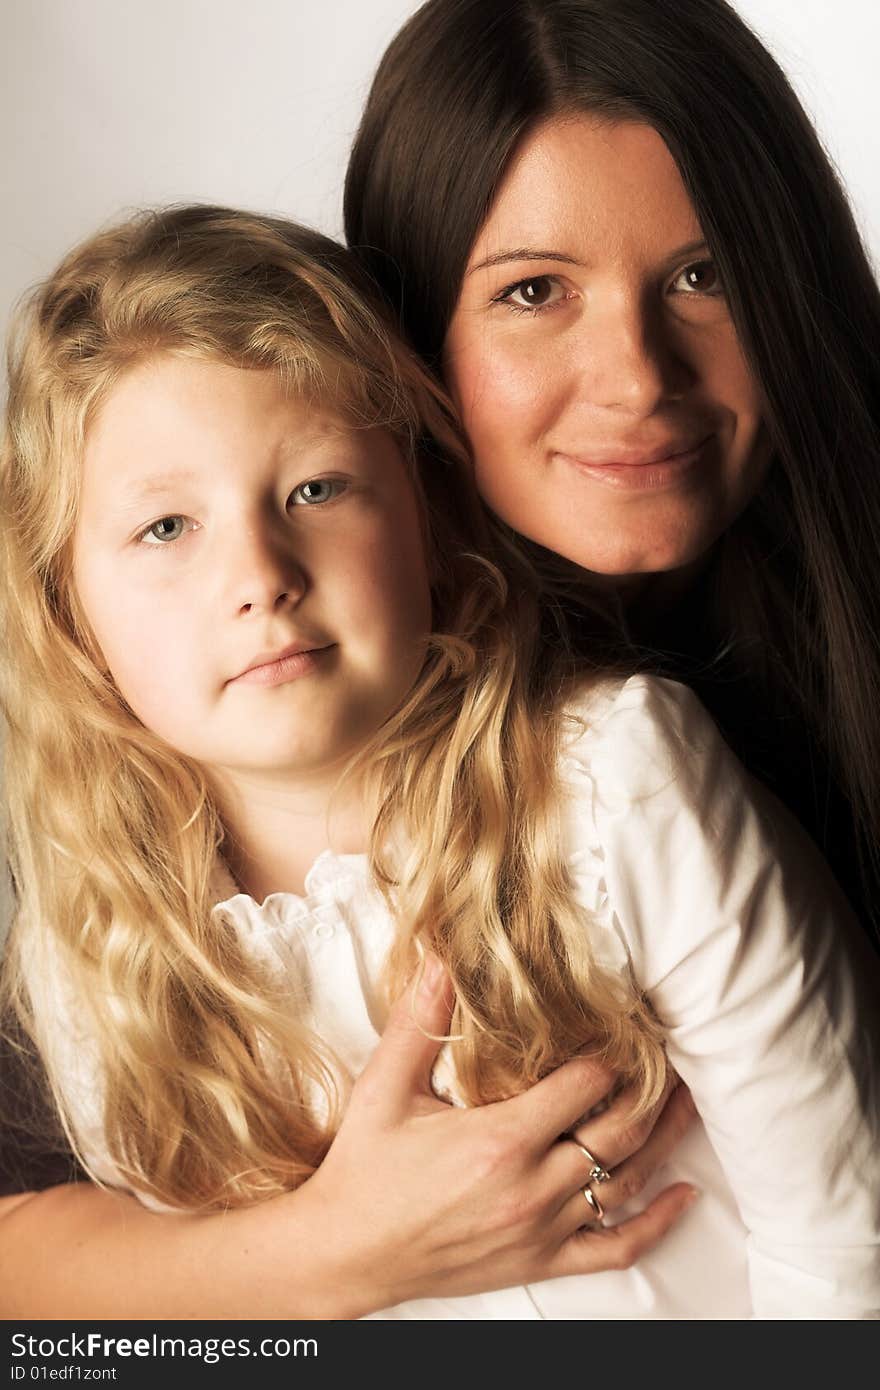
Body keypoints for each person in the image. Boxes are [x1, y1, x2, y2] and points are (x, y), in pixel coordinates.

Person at [0, 205, 877, 1319]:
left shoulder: (614, 783)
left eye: (315, 489)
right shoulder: (95, 950)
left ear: (425, 513)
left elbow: (843, 1232)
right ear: (66, 608)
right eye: (166, 528)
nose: (260, 575)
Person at [344, 0, 880, 948]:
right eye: (534, 291)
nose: (638, 379)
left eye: (705, 276)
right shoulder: (286, 722)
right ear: (411, 335)